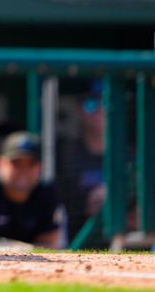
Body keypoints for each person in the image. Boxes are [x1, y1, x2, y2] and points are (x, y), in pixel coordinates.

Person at [0, 131, 65, 249]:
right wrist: (16, 249)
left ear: (39, 167)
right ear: (0, 164)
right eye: (16, 163)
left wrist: (19, 250)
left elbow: (50, 244)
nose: (23, 171)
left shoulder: (47, 191)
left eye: (30, 164)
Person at [55, 81, 106, 242]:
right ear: (81, 111)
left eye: (104, 103)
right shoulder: (67, 154)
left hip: (121, 239)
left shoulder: (129, 154)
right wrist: (86, 202)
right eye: (91, 105)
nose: (98, 111)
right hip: (77, 238)